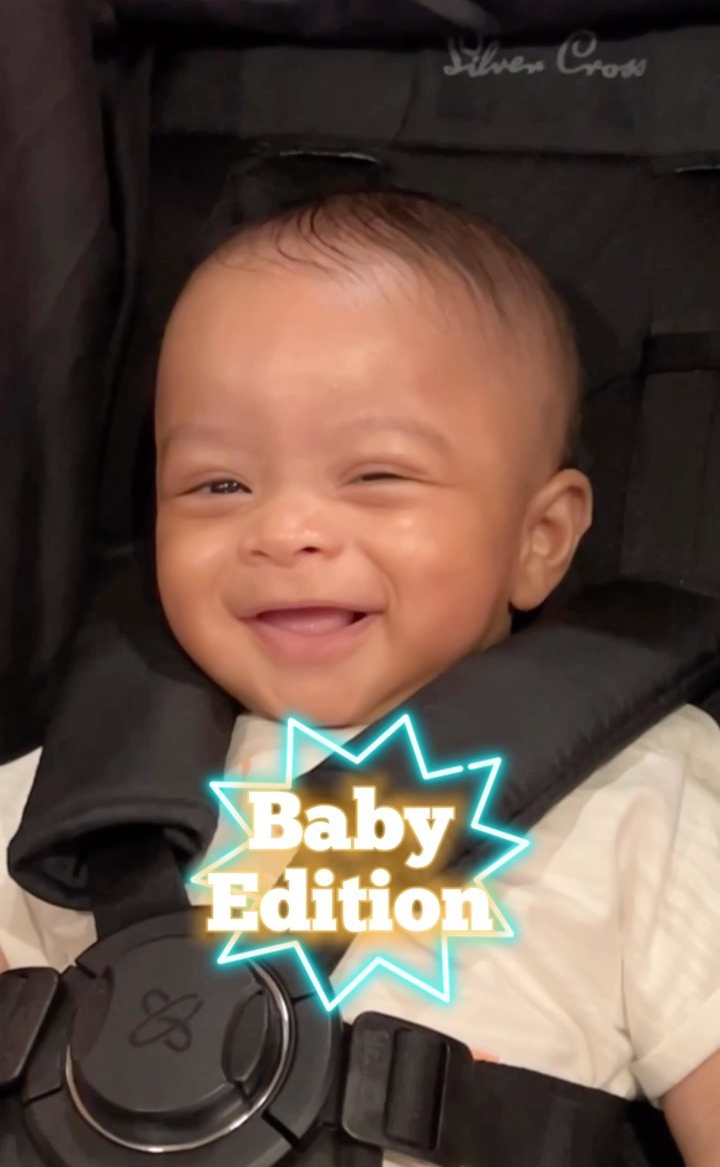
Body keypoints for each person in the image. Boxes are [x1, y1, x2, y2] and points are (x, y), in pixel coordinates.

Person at [0, 191, 718, 1163]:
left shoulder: (646, 798)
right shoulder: (74, 790)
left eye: (378, 475)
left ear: (540, 538)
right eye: (218, 484)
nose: (285, 529)